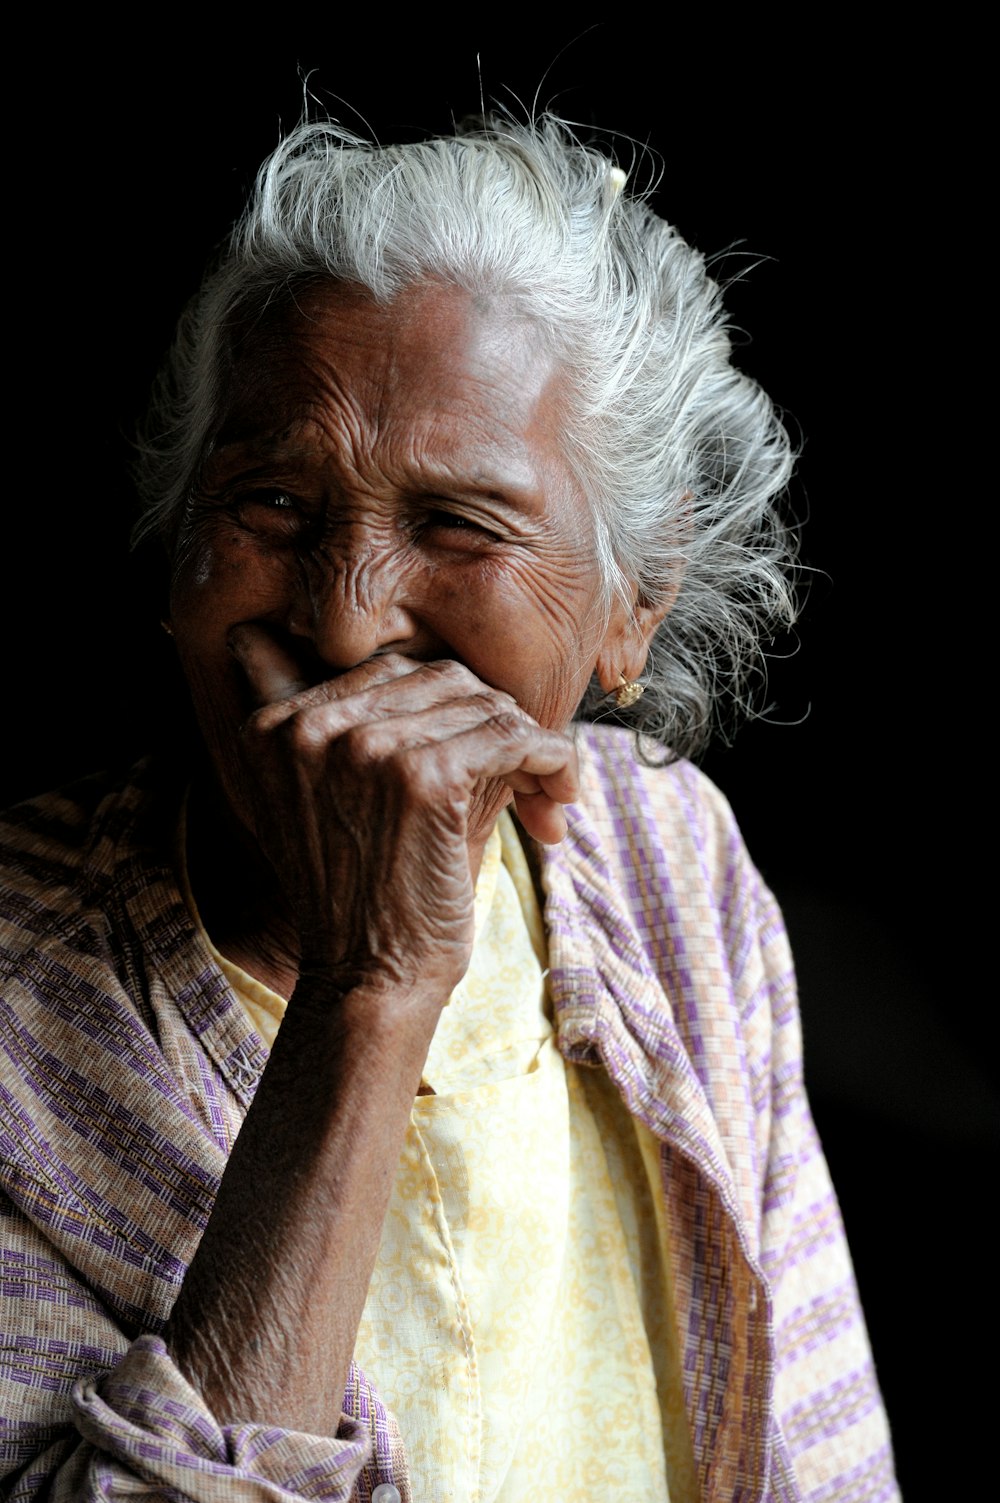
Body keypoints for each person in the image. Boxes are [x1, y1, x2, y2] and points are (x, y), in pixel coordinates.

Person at [0, 114, 899, 1501]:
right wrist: (373, 986)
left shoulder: (667, 861)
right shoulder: (22, 999)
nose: (350, 628)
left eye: (460, 525)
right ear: (179, 555)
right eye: (272, 504)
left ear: (632, 610)